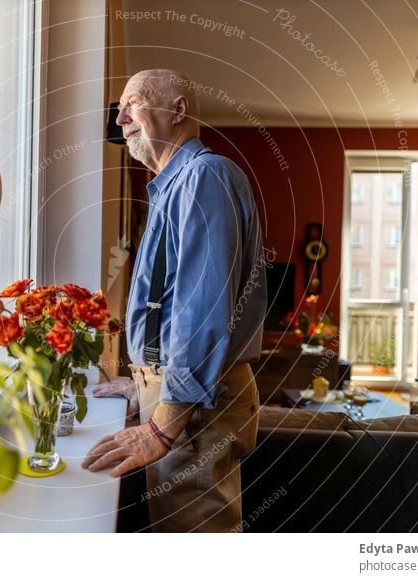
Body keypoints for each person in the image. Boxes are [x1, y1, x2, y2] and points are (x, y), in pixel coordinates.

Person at [82, 69, 267, 532]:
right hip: (180, 392)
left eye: (134, 103)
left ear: (178, 110)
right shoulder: (173, 187)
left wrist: (164, 422)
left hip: (196, 403)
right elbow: (170, 303)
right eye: (120, 107)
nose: (121, 117)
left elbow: (200, 313)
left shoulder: (203, 175)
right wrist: (145, 378)